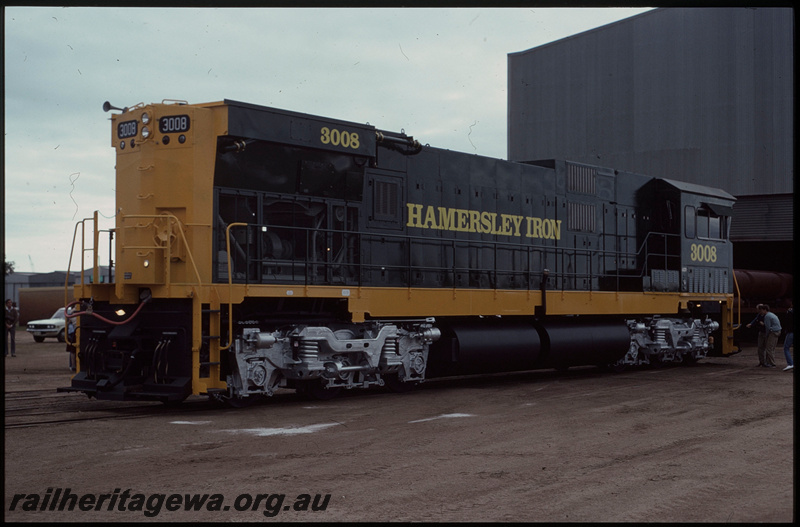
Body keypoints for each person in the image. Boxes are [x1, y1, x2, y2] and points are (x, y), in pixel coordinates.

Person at [759, 304, 781, 368]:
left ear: (765, 310)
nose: (760, 312)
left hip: (773, 332)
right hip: (777, 331)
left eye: (761, 310)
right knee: (772, 348)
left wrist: (766, 335)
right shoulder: (771, 314)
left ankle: (772, 363)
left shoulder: (767, 316)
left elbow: (768, 327)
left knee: (769, 348)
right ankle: (769, 362)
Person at [783, 304, 793, 371]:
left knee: (786, 348)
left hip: (791, 331)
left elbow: (787, 321)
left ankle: (790, 364)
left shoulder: (790, 311)